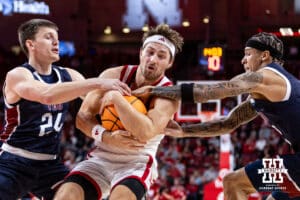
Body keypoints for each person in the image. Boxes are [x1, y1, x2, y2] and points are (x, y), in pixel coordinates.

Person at [133, 32, 300, 200]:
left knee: (234, 183)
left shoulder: (263, 77)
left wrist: (155, 90)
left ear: (264, 55)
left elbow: (210, 91)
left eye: (248, 54)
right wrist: (184, 131)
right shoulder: (267, 90)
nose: (243, 60)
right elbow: (228, 123)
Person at [0, 18, 131, 200]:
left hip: (50, 165)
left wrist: (134, 108)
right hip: (13, 162)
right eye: (48, 37)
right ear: (31, 44)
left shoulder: (69, 75)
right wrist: (98, 82)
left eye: (57, 37)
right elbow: (46, 94)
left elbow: (97, 103)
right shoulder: (18, 75)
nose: (56, 42)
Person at [54, 24, 183, 200]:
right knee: (65, 196)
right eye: (150, 52)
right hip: (101, 156)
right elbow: (82, 119)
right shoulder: (113, 74)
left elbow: (145, 132)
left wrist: (116, 98)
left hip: (136, 162)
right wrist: (107, 137)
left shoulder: (169, 94)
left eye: (161, 56)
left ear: (170, 62)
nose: (153, 59)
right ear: (141, 53)